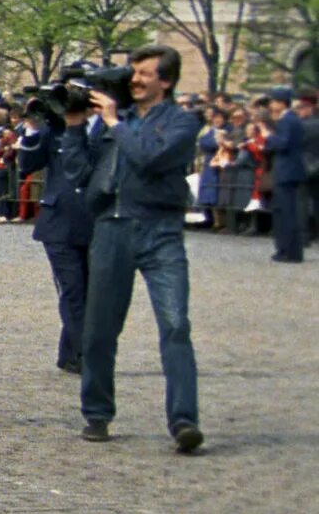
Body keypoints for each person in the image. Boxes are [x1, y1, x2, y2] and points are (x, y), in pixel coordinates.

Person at [78, 48, 204, 451]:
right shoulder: (116, 119)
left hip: (160, 229)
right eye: (133, 72)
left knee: (175, 324)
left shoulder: (183, 122)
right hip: (112, 227)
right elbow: (83, 169)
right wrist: (72, 126)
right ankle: (97, 412)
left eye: (144, 74)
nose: (134, 80)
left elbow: (151, 158)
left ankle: (184, 420)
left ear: (165, 81)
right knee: (99, 327)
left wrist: (114, 120)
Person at [17, 73, 99, 372]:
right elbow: (27, 165)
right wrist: (31, 128)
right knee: (73, 289)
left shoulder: (105, 128)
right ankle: (87, 354)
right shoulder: (54, 129)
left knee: (92, 292)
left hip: (95, 221)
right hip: (59, 222)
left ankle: (70, 353)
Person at [266, 88, 308, 264]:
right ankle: (289, 249)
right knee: (288, 211)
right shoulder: (292, 119)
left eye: (273, 101)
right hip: (291, 170)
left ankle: (288, 250)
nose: (270, 104)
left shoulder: (286, 120)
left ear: (281, 103)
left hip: (286, 170)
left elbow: (283, 143)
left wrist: (268, 137)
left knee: (286, 212)